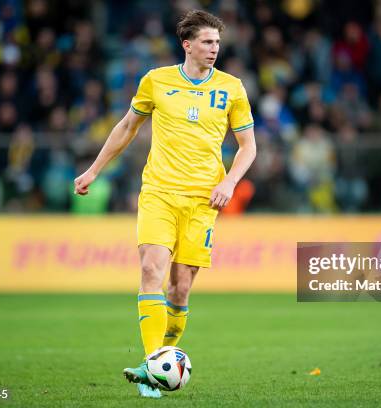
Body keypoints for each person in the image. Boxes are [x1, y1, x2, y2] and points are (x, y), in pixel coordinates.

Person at [73, 10, 256, 399]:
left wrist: (229, 181)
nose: (214, 49)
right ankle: (153, 368)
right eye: (207, 42)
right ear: (187, 44)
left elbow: (248, 147)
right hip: (158, 192)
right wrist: (93, 171)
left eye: (218, 43)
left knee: (180, 291)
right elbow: (127, 127)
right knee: (150, 268)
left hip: (203, 200)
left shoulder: (232, 88)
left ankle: (162, 355)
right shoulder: (156, 81)